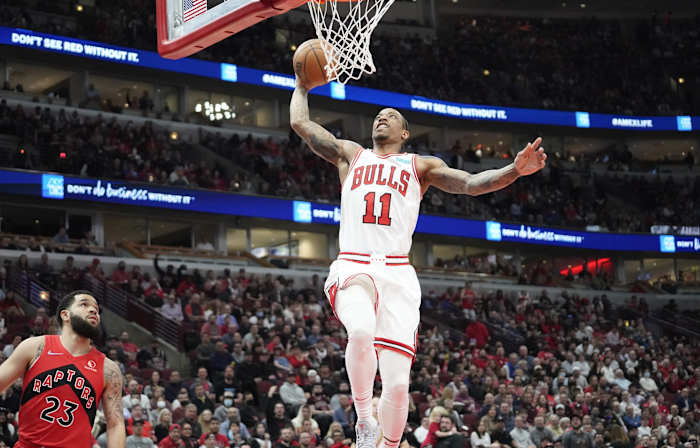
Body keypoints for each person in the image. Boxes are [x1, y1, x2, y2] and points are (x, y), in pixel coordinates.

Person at [290, 76, 546, 448]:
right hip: (355, 263)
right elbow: (302, 124)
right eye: (378, 115)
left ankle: (389, 445)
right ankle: (364, 422)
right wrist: (301, 85)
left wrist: (513, 171)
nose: (382, 118)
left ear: (405, 132)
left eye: (390, 116)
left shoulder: (419, 166)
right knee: (360, 331)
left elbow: (473, 183)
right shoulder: (351, 154)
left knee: (397, 383)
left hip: (397, 272)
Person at [0, 290, 126, 447]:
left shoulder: (109, 369)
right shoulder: (36, 346)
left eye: (96, 309)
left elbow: (115, 425)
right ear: (65, 315)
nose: (94, 310)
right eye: (84, 304)